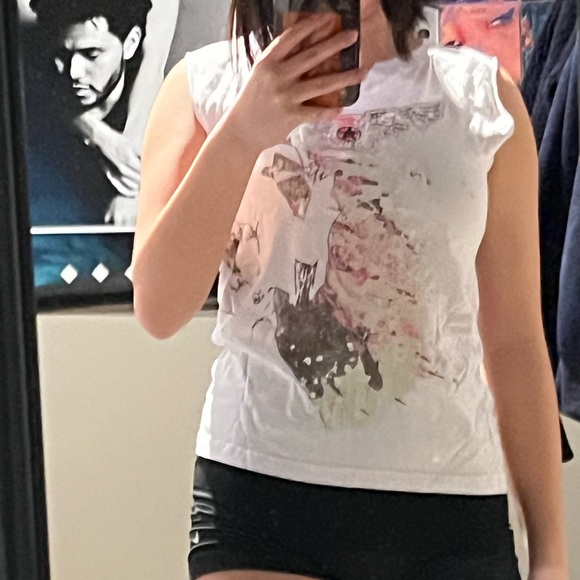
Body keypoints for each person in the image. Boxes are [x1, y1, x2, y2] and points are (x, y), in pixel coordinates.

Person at [133, 0, 569, 578]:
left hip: (452, 506)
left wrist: (551, 553)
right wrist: (242, 131)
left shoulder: (482, 99)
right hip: (261, 498)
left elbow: (513, 340)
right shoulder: (205, 85)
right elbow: (159, 308)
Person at [29, 0, 154, 226]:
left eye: (91, 54)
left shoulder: (161, 112)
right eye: (62, 54)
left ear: (131, 43)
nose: (74, 72)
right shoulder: (34, 125)